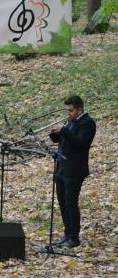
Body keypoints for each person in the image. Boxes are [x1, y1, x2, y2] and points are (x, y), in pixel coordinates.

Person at [49, 95, 96, 248]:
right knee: (62, 202)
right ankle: (67, 234)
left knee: (71, 203)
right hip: (62, 167)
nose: (68, 113)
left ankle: (74, 238)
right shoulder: (71, 121)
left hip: (75, 169)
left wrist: (64, 130)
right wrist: (55, 133)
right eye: (67, 110)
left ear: (79, 109)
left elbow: (81, 144)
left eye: (70, 111)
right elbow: (61, 140)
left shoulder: (88, 123)